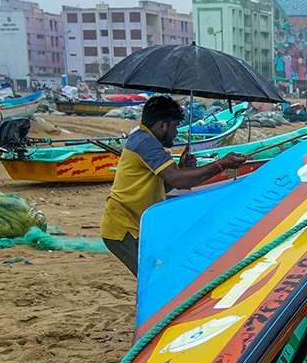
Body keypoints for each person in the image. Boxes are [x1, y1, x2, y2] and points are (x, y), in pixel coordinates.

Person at [100, 95, 248, 277]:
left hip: (141, 223)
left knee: (159, 274)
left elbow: (165, 186)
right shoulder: (146, 143)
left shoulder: (144, 139)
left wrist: (183, 168)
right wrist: (221, 164)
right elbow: (178, 179)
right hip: (124, 226)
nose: (176, 132)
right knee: (152, 279)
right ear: (162, 125)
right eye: (175, 126)